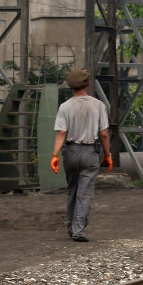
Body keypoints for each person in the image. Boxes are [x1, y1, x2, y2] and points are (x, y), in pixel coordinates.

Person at [50, 67, 112, 242]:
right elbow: (104, 134)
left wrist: (55, 155)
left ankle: (71, 226)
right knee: (84, 193)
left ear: (71, 85)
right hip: (90, 152)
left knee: (72, 190)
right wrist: (108, 155)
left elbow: (61, 133)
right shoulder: (98, 105)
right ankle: (78, 229)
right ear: (88, 84)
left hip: (70, 151)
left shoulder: (65, 106)